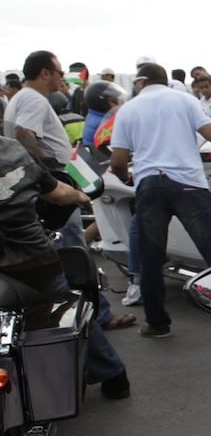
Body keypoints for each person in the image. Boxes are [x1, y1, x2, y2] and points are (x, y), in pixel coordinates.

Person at [110, 64, 211, 346]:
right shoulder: (185, 100)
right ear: (165, 81)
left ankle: (157, 324)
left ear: (140, 83)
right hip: (189, 184)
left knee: (151, 258)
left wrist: (127, 177)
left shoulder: (128, 109)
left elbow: (118, 160)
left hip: (150, 186)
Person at [0, 136, 130, 399]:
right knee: (65, 313)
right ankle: (114, 376)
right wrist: (80, 195)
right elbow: (59, 193)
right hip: (36, 260)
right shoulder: (13, 149)